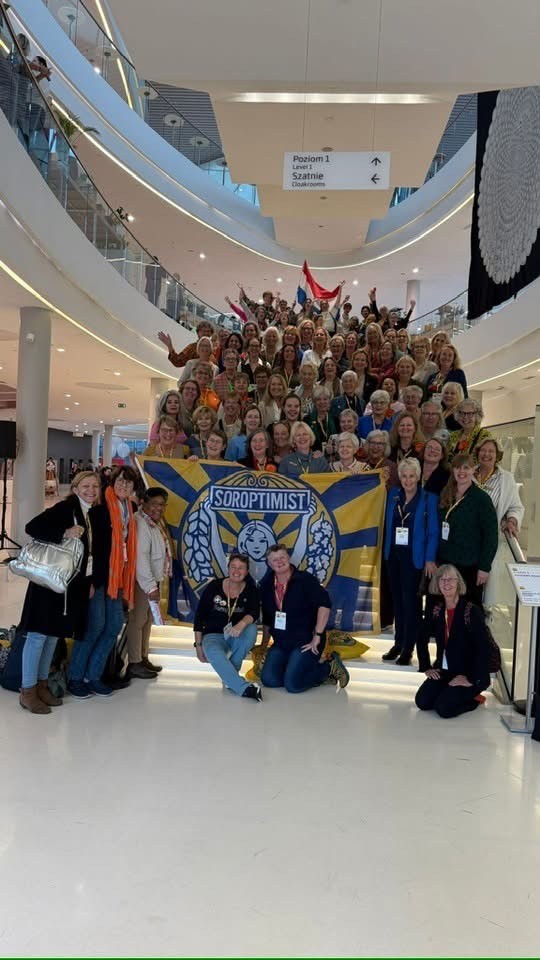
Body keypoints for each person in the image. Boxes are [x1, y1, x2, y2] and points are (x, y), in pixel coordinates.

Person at [18, 472, 98, 713]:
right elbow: (32, 527)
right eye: (85, 486)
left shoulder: (88, 513)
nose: (91, 490)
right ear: (75, 488)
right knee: (37, 636)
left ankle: (42, 685)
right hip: (48, 584)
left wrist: (88, 582)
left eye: (95, 486)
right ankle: (27, 690)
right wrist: (64, 532)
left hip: (66, 587)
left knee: (53, 636)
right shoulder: (66, 508)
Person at [67, 466, 138, 699]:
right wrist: (91, 581)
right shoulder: (100, 508)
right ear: (112, 482)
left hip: (117, 579)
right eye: (120, 480)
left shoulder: (130, 508)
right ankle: (75, 677)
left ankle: (93, 676)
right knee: (94, 627)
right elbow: (93, 548)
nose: (124, 485)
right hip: (98, 578)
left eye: (128, 482)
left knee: (114, 626)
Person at [259, 544, 349, 693]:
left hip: (307, 641)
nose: (279, 562)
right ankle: (297, 670)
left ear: (288, 558)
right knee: (269, 680)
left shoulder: (305, 580)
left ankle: (328, 668)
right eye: (275, 559)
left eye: (282, 557)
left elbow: (324, 605)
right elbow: (268, 619)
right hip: (281, 643)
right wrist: (264, 644)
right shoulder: (266, 585)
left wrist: (318, 636)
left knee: (293, 685)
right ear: (269, 563)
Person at [382, 458, 439, 665]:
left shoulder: (429, 498)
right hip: (393, 555)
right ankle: (398, 643)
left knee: (411, 604)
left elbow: (433, 532)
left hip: (414, 558)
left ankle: (408, 648)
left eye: (411, 476)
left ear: (418, 476)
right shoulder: (393, 495)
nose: (408, 480)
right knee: (397, 601)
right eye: (404, 476)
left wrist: (430, 558)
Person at [415, 565, 491, 718]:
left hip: (469, 673)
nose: (446, 583)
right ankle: (449, 692)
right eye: (442, 579)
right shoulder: (436, 609)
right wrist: (426, 666)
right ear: (437, 583)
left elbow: (484, 648)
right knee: (422, 702)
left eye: (450, 579)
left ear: (458, 583)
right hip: (445, 670)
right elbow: (421, 637)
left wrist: (471, 678)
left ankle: (474, 698)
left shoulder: (471, 611)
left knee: (444, 709)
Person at [194, 553, 261, 700]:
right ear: (228, 568)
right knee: (213, 651)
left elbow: (254, 613)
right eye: (233, 567)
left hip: (236, 635)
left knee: (251, 629)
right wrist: (198, 645)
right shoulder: (214, 586)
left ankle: (230, 679)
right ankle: (242, 687)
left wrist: (241, 624)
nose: (237, 571)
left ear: (247, 571)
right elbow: (199, 616)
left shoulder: (251, 589)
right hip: (213, 635)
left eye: (241, 568)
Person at [438, 454, 498, 605]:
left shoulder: (482, 499)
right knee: (447, 606)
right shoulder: (446, 493)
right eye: (457, 467)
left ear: (473, 470)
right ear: (453, 470)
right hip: (446, 562)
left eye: (466, 468)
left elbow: (491, 536)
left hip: (470, 566)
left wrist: (484, 567)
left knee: (469, 609)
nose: (461, 472)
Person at [474, 437, 525, 610]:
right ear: (477, 453)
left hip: (491, 541)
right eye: (483, 450)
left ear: (498, 455)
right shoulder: (469, 474)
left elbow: (516, 506)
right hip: (469, 540)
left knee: (488, 588)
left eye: (491, 451)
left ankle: (486, 621)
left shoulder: (506, 479)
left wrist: (511, 520)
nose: (486, 454)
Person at [127, 488, 171, 679]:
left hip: (153, 579)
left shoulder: (154, 522)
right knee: (138, 621)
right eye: (154, 503)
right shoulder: (140, 522)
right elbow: (141, 557)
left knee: (147, 620)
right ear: (143, 503)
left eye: (161, 504)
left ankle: (143, 657)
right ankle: (134, 662)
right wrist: (150, 586)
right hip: (142, 581)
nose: (158, 508)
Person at [303, 385, 337, 452]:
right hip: (313, 455)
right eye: (318, 399)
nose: (322, 402)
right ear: (314, 402)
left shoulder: (335, 419)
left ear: (329, 401)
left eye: (325, 399)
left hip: (333, 455)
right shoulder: (307, 420)